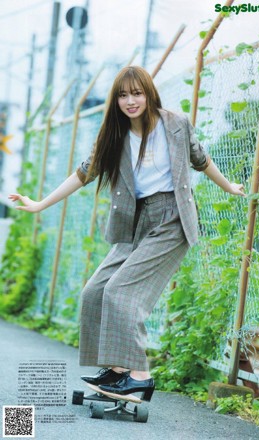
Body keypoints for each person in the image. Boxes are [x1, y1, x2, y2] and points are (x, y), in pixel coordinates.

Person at [8, 66, 245, 402]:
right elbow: (82, 173)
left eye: (136, 93)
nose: (130, 101)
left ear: (148, 93)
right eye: (122, 95)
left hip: (171, 218)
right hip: (134, 221)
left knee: (122, 292)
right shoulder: (114, 135)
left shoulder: (174, 125)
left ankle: (140, 376)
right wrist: (40, 205)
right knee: (96, 291)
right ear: (116, 100)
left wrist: (230, 186)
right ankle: (117, 369)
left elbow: (201, 160)